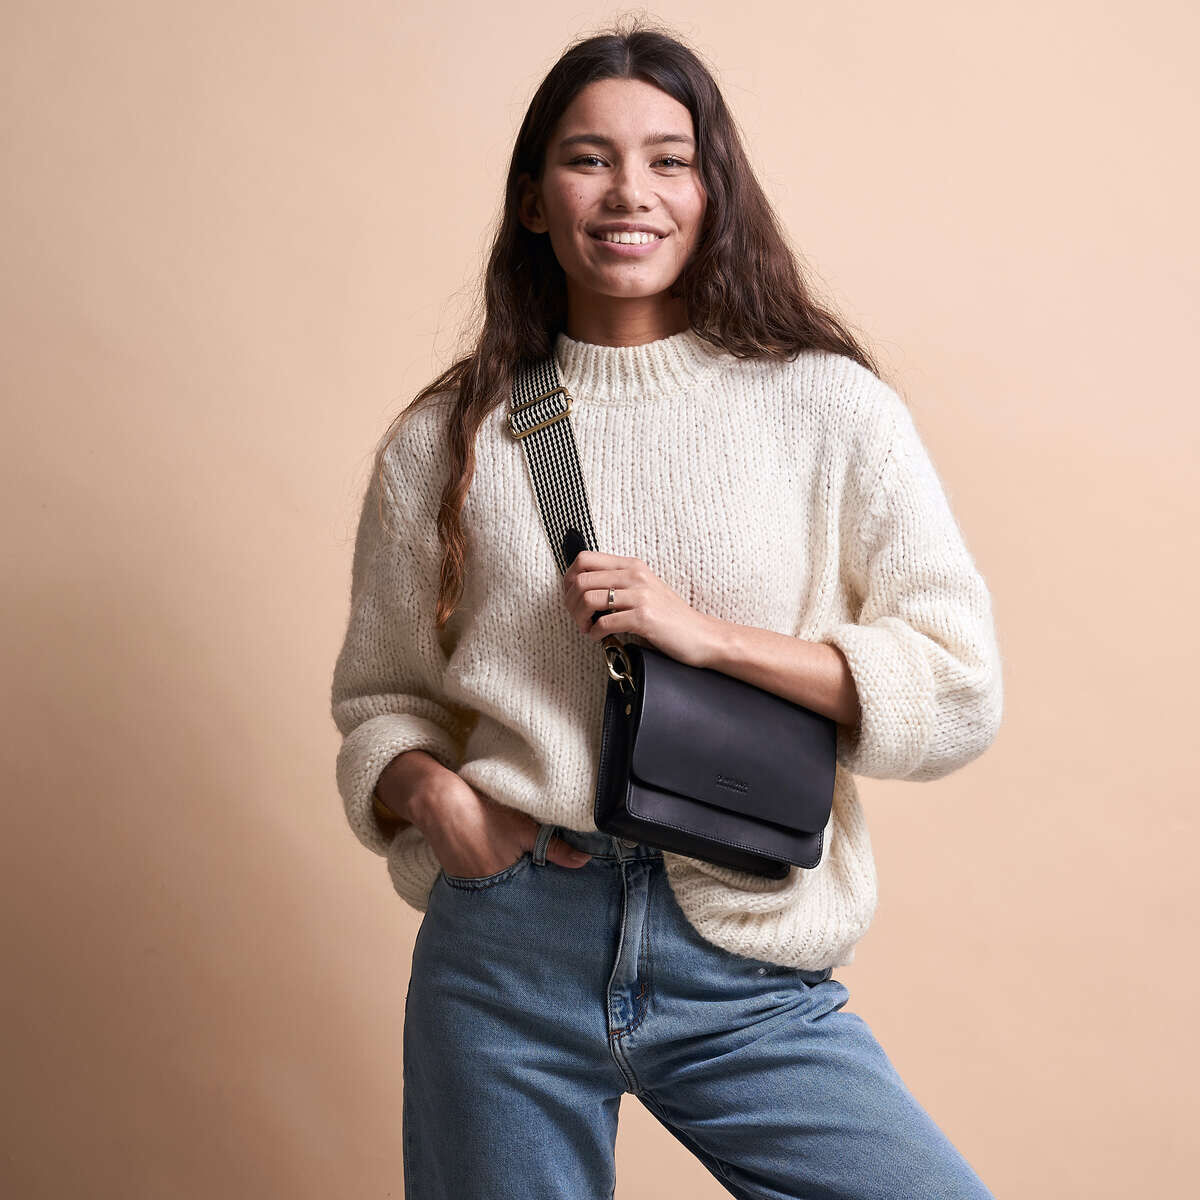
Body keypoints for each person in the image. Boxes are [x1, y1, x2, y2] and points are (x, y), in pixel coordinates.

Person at [330, 19, 1003, 1200]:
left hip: (744, 950)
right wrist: (438, 801)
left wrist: (706, 637)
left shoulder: (825, 410)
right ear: (535, 199)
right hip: (509, 947)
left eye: (668, 160)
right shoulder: (446, 442)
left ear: (713, 191)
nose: (627, 192)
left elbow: (957, 688)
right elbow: (383, 703)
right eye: (587, 159)